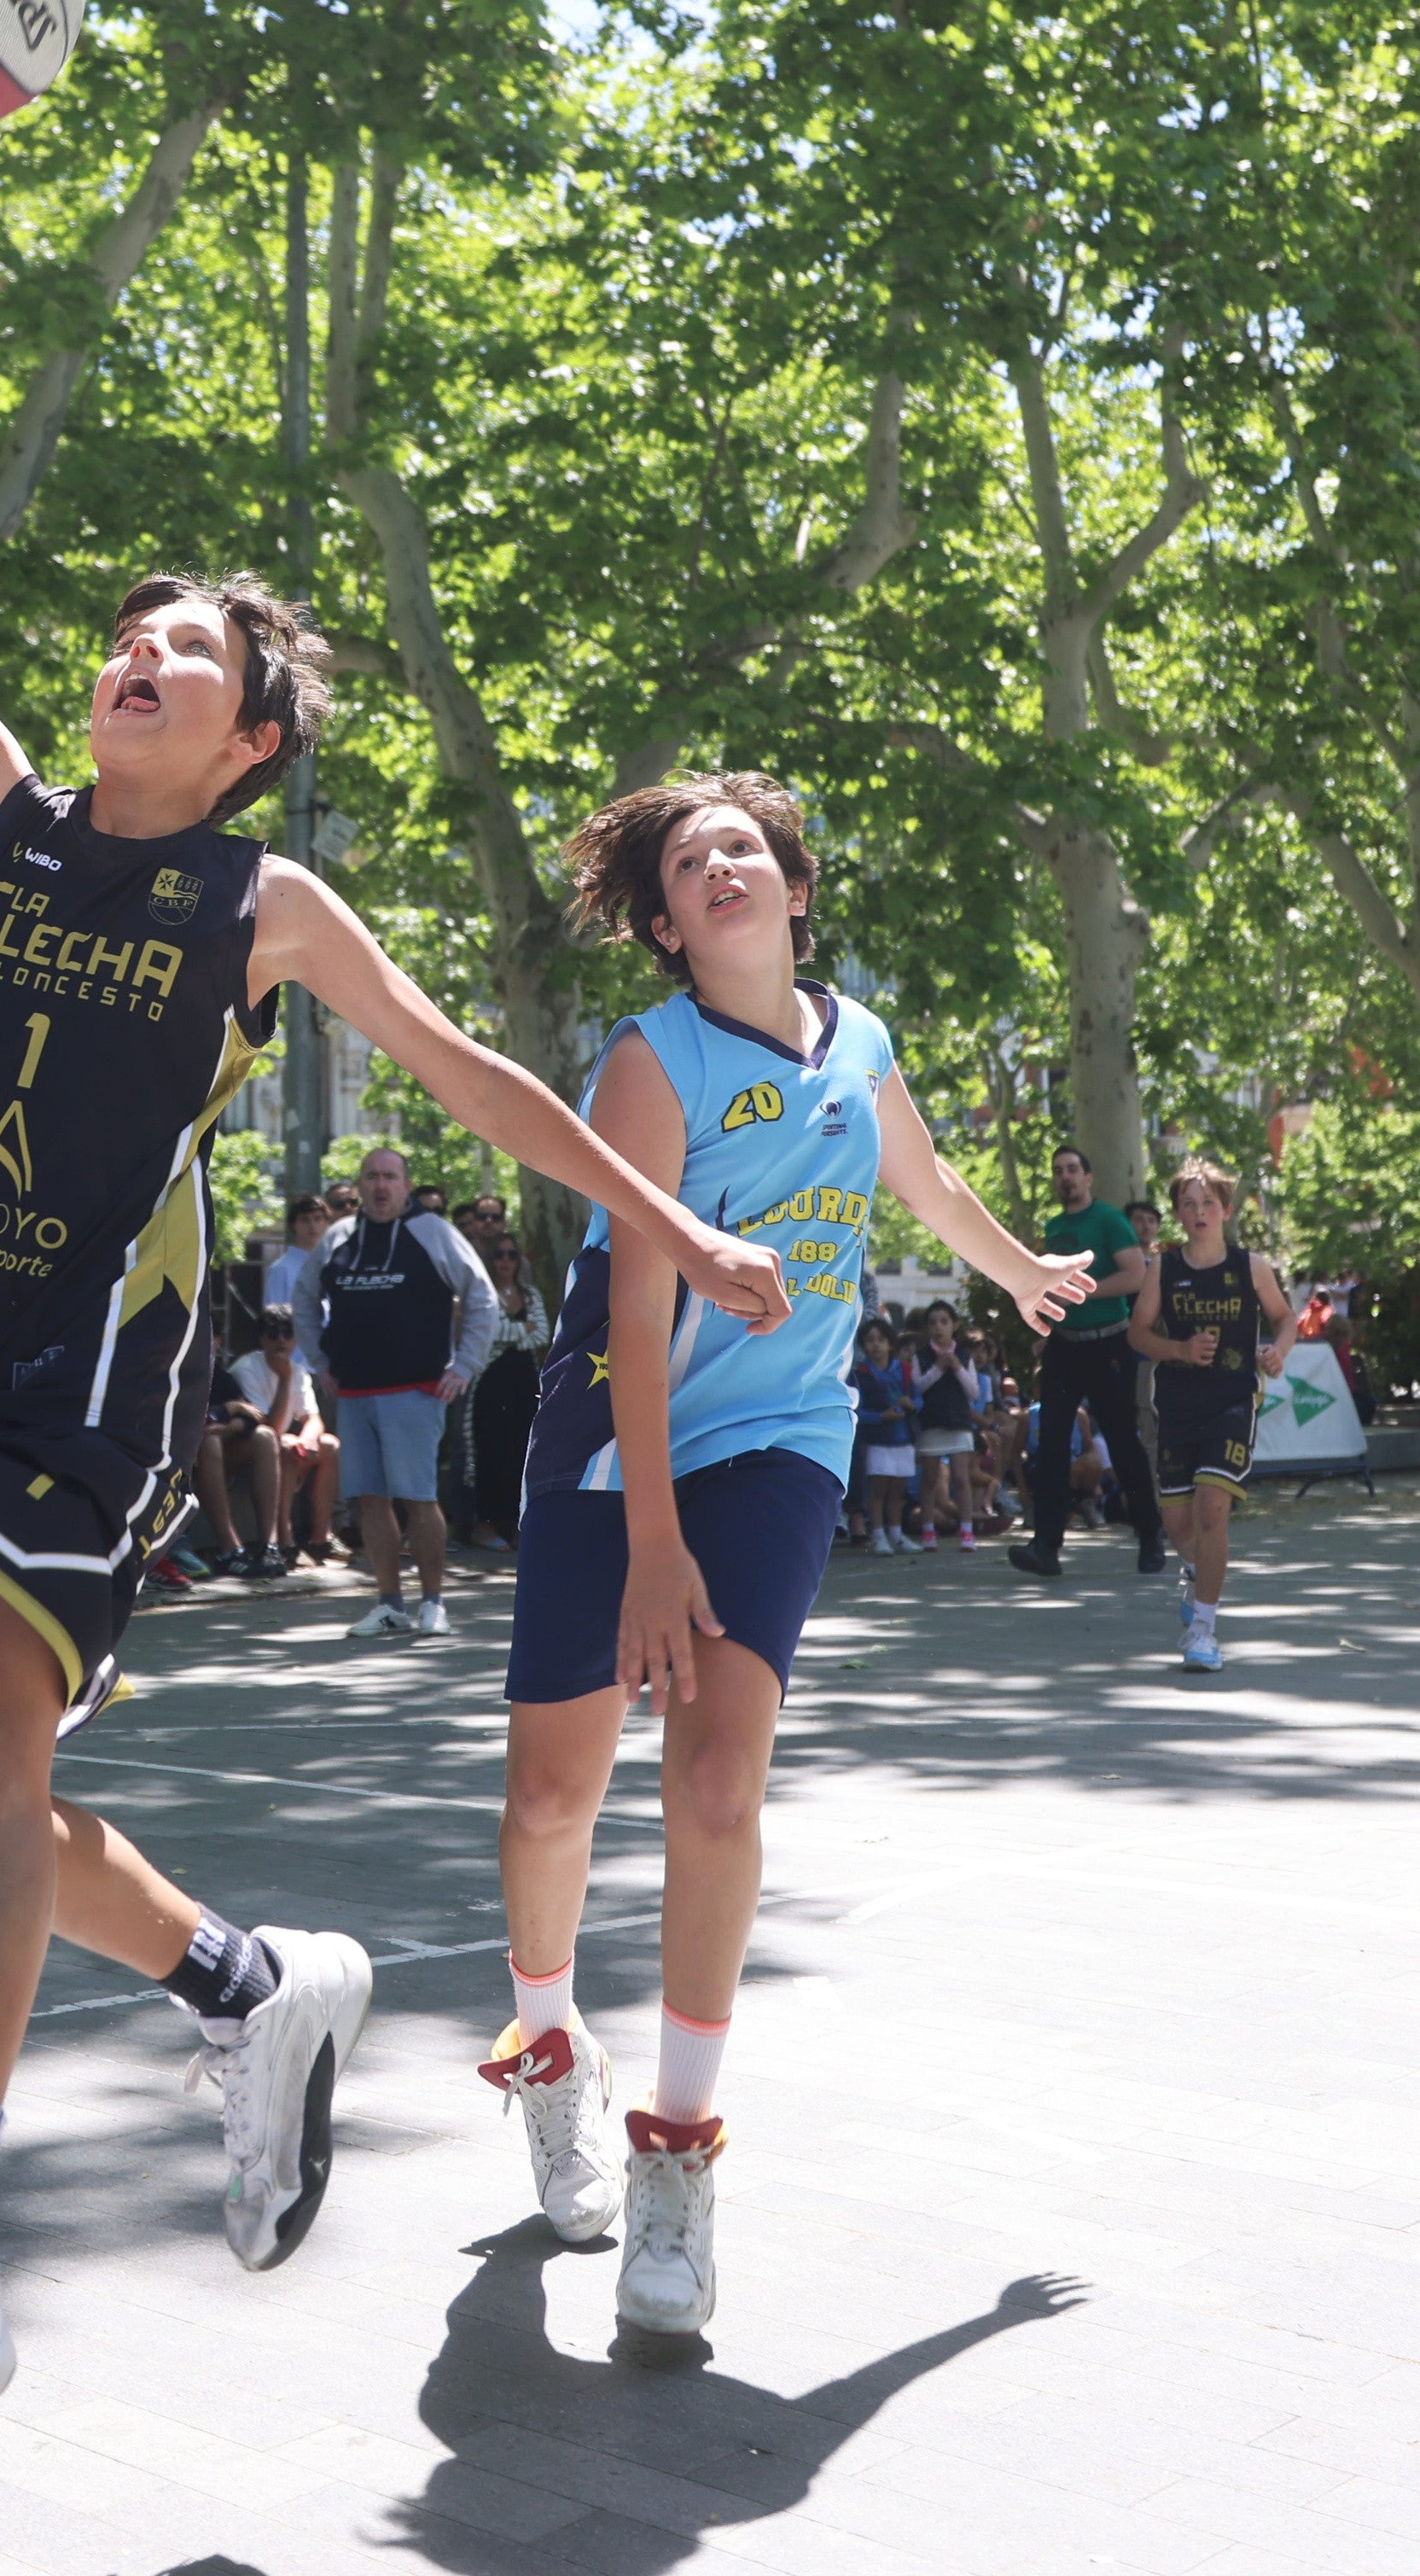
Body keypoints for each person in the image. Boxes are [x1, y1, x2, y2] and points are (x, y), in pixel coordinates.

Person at [0, 121, 794, 2482]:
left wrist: (667, 1221)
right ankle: (243, 1981)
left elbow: (470, 1074)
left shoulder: (258, 902)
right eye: (124, 632)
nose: (129, 653)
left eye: (177, 650)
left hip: (93, 1372)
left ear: (246, 736)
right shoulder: (1, 820)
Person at [484, 774, 1090, 2335]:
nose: (719, 866)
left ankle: (676, 2156)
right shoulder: (649, 1060)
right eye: (689, 862)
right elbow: (630, 1317)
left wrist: (1019, 1270)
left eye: (740, 846)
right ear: (669, 922)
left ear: (792, 889)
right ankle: (546, 2048)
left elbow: (924, 1182)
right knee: (555, 1795)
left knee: (713, 1782)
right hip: (617, 1446)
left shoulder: (861, 1040)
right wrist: (648, 1548)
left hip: (780, 1440)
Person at [291, 1149, 494, 1642]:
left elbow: (482, 1297)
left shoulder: (435, 1233)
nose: (380, 1186)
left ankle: (433, 1603)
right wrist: (320, 1364)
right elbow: (302, 1299)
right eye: (371, 1178)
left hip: (416, 1391)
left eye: (390, 1177)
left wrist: (463, 1367)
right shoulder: (340, 1236)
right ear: (359, 1186)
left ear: (405, 1184)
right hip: (356, 1391)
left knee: (419, 1498)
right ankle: (389, 1604)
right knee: (370, 1500)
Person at [1128, 1157, 1289, 1676]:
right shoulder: (1163, 1270)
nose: (1199, 1211)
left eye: (1208, 1203)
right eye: (1189, 1204)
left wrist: (1277, 1351)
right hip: (1176, 1406)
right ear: (1178, 1213)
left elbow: (1286, 1318)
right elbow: (1137, 1334)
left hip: (1232, 1402)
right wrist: (1177, 1350)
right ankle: (1196, 1568)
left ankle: (1202, 1629)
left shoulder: (1251, 1267)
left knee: (1212, 1510)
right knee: (1178, 1523)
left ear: (1225, 1209)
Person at [1010, 1146, 1161, 1581]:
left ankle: (1150, 1537)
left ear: (1089, 1178)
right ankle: (1046, 1546)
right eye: (1058, 1171)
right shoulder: (1054, 1227)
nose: (1065, 1178)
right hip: (1064, 1346)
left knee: (1124, 1441)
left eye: (1073, 1170)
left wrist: (1083, 1292)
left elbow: (1135, 1275)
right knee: (1051, 1444)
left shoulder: (1110, 1220)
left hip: (1109, 1344)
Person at [231, 1306, 337, 1559]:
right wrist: (284, 1380)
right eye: (273, 1333)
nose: (281, 1340)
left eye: (287, 1333)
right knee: (286, 1444)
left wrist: (307, 1439)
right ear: (261, 1338)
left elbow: (312, 1418)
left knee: (330, 1444)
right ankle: (284, 1539)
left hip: (281, 1444)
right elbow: (270, 1428)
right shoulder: (246, 1368)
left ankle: (320, 1538)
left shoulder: (299, 1371)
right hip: (250, 1448)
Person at [467, 1233, 550, 1551]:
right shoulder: (482, 1292)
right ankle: (485, 1525)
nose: (505, 1261)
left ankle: (519, 1527)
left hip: (524, 1383)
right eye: (499, 1254)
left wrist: (514, 1334)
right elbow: (487, 1333)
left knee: (522, 1452)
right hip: (490, 1382)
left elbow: (542, 1332)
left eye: (511, 1255)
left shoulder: (530, 1294)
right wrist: (521, 1330)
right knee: (490, 1453)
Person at [193, 1346, 285, 1574]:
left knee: (266, 1437)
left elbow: (253, 1417)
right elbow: (195, 1421)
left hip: (220, 1460)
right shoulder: (175, 1373)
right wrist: (229, 1409)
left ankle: (268, 1547)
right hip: (183, 1465)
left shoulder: (219, 1376)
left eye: (211, 1337)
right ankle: (229, 1551)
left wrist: (229, 1424)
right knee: (209, 1439)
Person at [904, 1303, 984, 1551]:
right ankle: (929, 1530)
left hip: (958, 1422)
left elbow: (973, 1391)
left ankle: (967, 1530)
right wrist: (938, 1368)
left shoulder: (964, 1356)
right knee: (929, 1478)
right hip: (932, 1422)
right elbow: (919, 1386)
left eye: (944, 1321)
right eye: (933, 1323)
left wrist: (957, 1368)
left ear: (954, 1325)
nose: (938, 1327)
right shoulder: (922, 1356)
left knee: (961, 1477)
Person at [849, 1316, 915, 1553]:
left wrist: (911, 1404)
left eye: (881, 1340)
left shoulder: (904, 1370)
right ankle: (878, 1534)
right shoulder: (861, 1374)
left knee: (898, 1490)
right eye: (870, 1340)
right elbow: (857, 1411)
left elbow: (919, 1399)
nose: (876, 1345)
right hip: (876, 1440)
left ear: (890, 1343)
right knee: (877, 1490)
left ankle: (896, 1534)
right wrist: (880, 1417)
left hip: (902, 1438)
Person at [259, 1194, 330, 1321]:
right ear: (294, 1225)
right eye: (305, 1220)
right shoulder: (281, 1269)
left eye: (317, 1218)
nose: (312, 1225)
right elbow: (275, 1319)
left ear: (326, 1223)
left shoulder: (334, 1264)